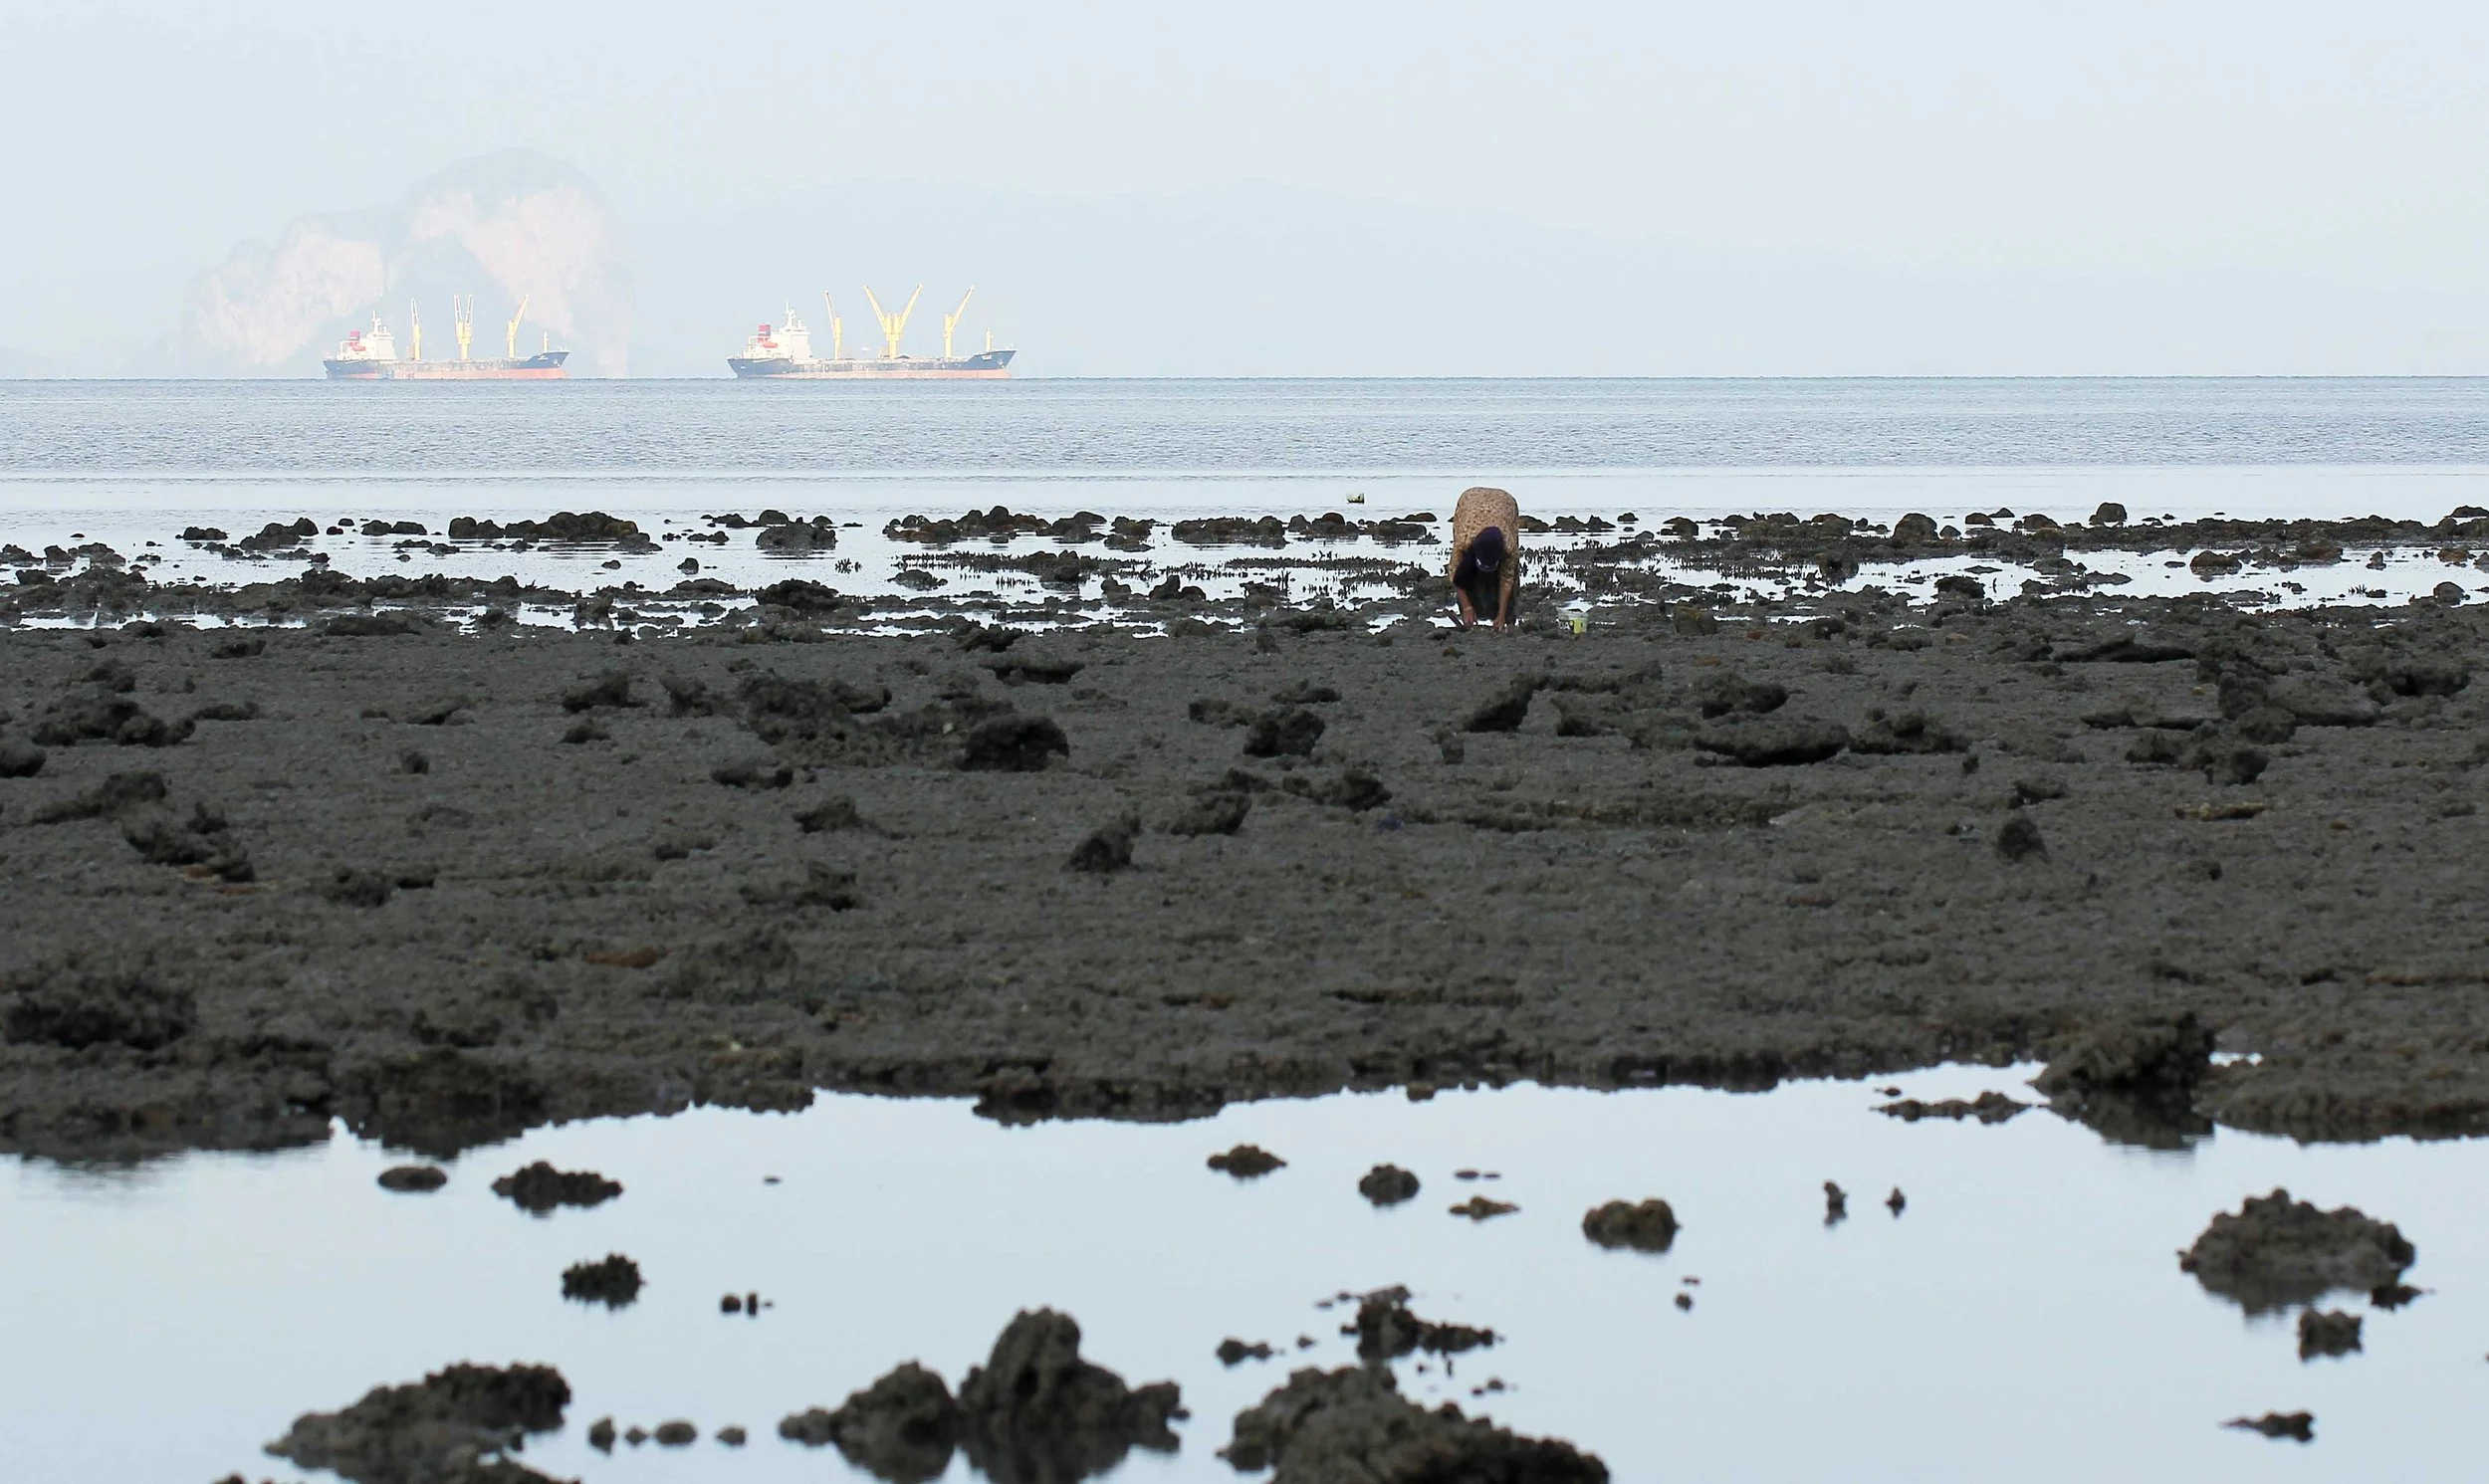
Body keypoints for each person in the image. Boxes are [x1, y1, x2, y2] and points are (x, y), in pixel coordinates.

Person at [1448, 485, 1520, 631]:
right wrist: (1467, 606)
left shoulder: (1509, 546)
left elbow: (1507, 578)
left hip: (1504, 503)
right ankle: (1468, 616)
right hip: (1470, 499)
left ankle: (1508, 618)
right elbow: (1454, 572)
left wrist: (1501, 615)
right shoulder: (1464, 540)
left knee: (1511, 576)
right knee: (1465, 572)